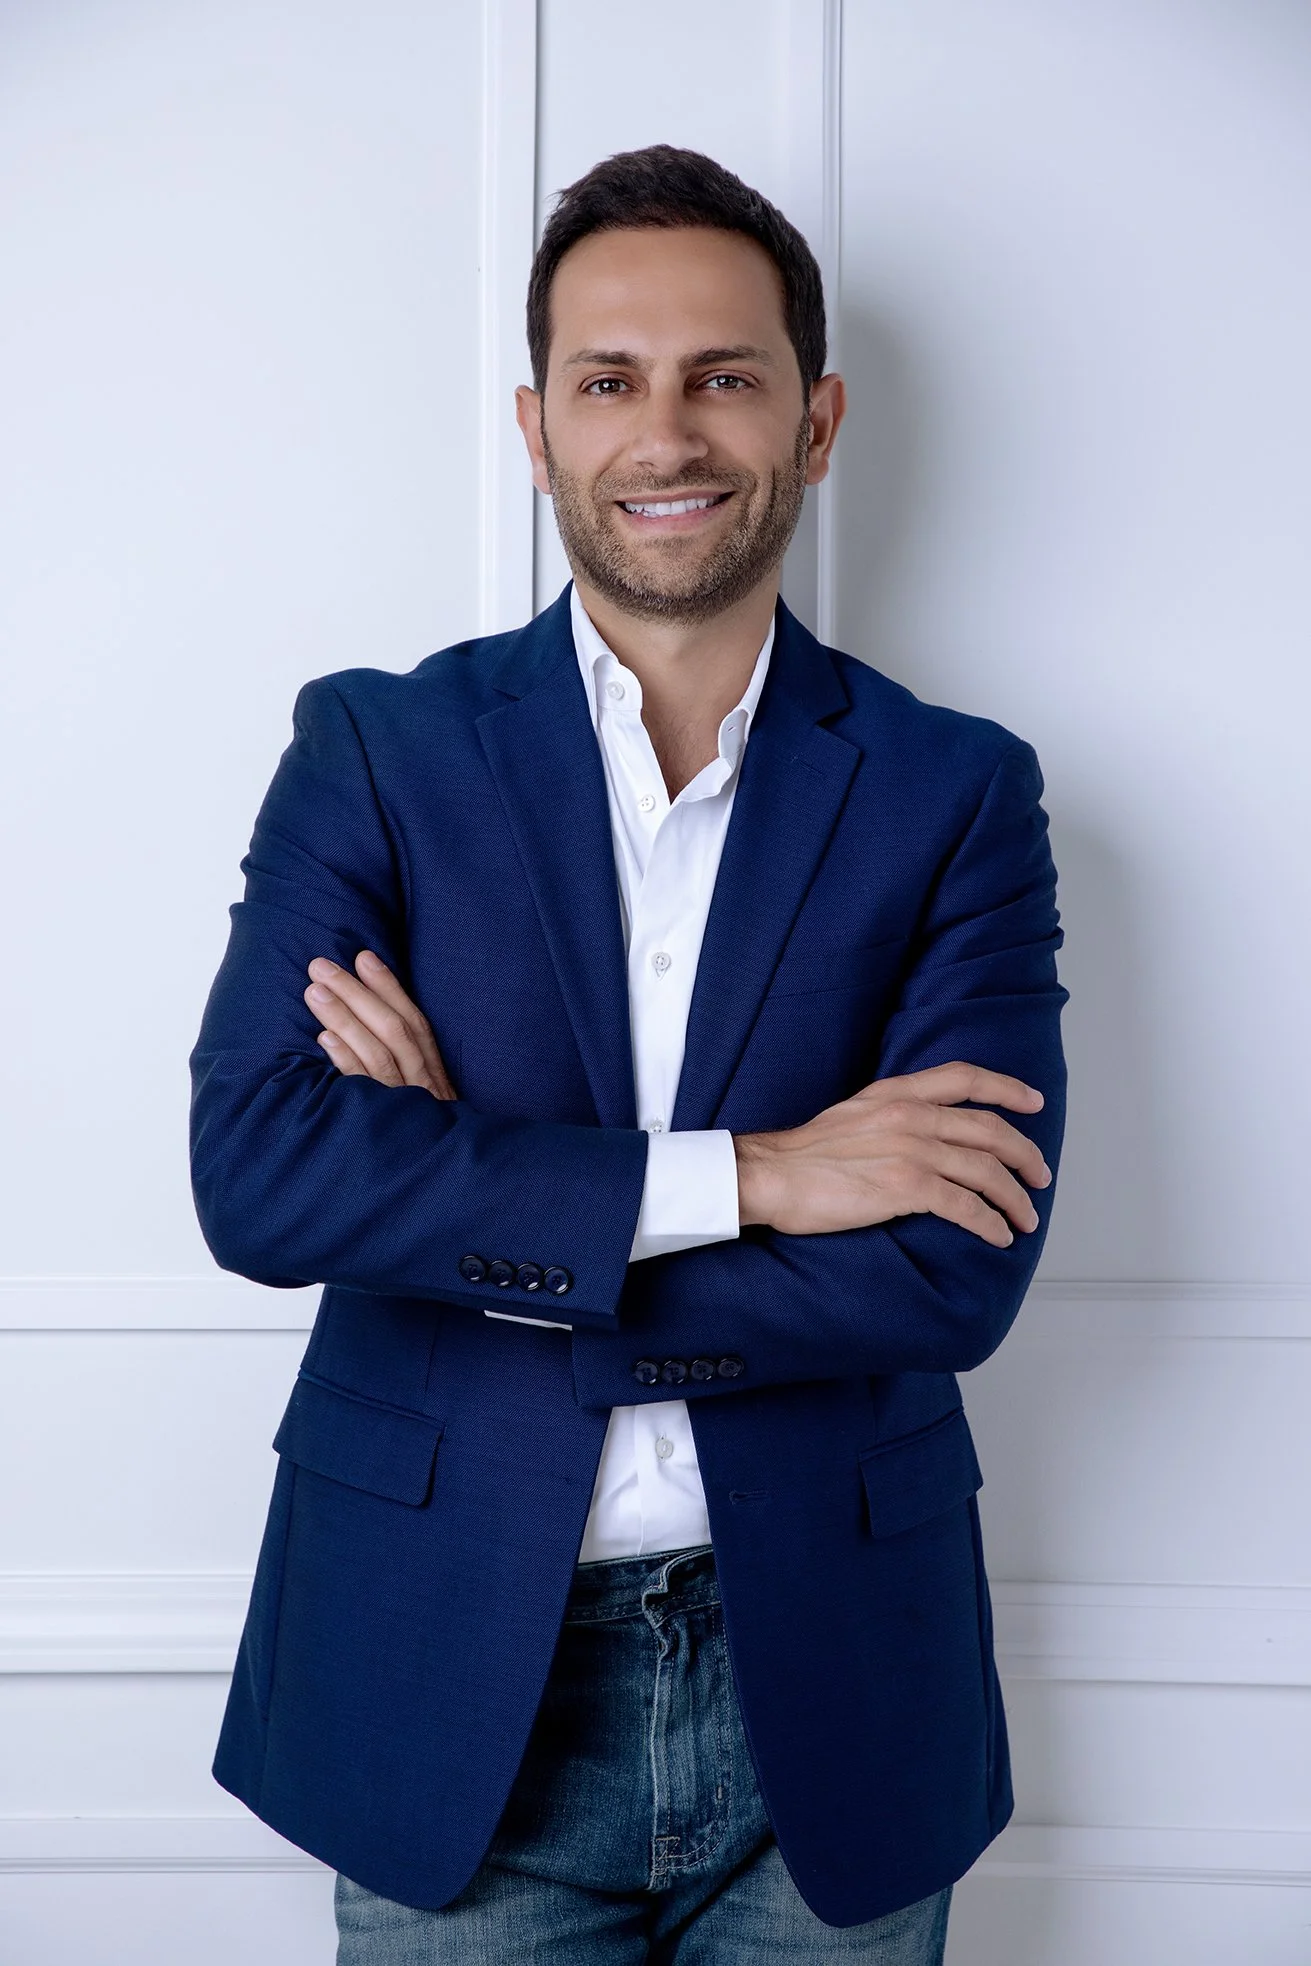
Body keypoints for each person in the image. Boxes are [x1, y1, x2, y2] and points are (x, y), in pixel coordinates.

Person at [190, 144, 1067, 1965]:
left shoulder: (955, 793)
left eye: (722, 377)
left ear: (813, 422)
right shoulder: (375, 750)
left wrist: (475, 1215)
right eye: (609, 380)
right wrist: (759, 1174)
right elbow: (263, 1173)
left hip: (829, 1679)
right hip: (447, 1674)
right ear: (536, 427)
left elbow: (951, 1268)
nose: (663, 433)